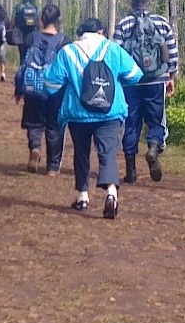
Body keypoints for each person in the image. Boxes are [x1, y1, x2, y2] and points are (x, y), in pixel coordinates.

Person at [42, 16, 143, 218]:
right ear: (101, 32)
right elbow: (135, 74)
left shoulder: (68, 51)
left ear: (80, 33)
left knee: (81, 154)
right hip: (110, 112)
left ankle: (82, 196)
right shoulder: (113, 49)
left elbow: (51, 83)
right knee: (108, 153)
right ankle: (111, 194)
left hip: (78, 114)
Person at [112, 0, 180, 183]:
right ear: (149, 2)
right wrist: (171, 76)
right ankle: (153, 148)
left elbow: (116, 54)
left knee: (130, 123)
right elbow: (172, 52)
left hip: (130, 82)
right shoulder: (162, 22)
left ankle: (131, 172)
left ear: (130, 3)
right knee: (156, 120)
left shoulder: (123, 24)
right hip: (156, 79)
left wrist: (118, 79)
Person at [14, 3, 68, 174]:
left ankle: (35, 148)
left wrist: (19, 89)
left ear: (40, 19)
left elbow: (23, 63)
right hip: (55, 91)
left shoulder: (31, 38)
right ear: (59, 20)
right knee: (54, 126)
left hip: (33, 88)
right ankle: (52, 167)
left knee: (33, 123)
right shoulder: (64, 41)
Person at [11, 0, 39, 66]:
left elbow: (13, 20)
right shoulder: (36, 8)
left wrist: (10, 29)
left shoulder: (19, 7)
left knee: (22, 53)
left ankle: (22, 69)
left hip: (20, 33)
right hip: (32, 33)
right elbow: (39, 21)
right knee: (31, 52)